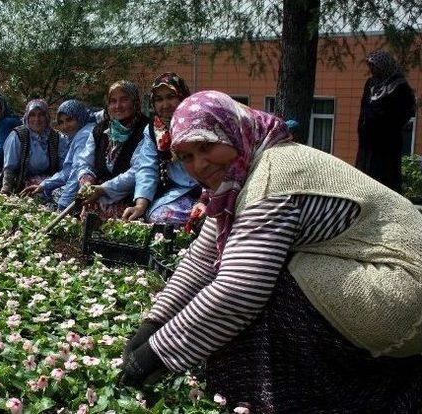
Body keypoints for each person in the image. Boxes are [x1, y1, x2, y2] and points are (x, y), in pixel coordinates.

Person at [120, 91, 422, 413]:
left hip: (403, 296)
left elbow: (238, 293)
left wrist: (154, 356)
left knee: (263, 280)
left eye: (206, 146)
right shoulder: (242, 172)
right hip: (391, 284)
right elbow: (201, 260)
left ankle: (324, 397)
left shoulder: (271, 178)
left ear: (230, 130)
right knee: (254, 266)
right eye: (187, 157)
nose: (200, 165)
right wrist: (150, 326)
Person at [133, 72, 201, 226]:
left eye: (171, 97)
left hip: (212, 188)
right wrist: (140, 205)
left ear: (182, 96)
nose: (165, 105)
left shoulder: (198, 122)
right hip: (180, 193)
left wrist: (206, 198)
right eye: (159, 99)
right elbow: (147, 168)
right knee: (158, 216)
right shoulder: (154, 130)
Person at [76, 80, 149, 220]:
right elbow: (85, 162)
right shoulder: (100, 130)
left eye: (124, 100)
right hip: (98, 193)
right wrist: (87, 183)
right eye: (112, 101)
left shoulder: (146, 130)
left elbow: (139, 170)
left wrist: (103, 189)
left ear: (135, 102)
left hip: (131, 194)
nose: (118, 106)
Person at [356, 49, 416, 193]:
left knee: (384, 178)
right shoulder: (371, 83)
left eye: (374, 66)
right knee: (365, 176)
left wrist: (383, 120)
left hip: (386, 143)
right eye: (370, 66)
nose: (371, 70)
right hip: (367, 142)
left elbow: (406, 111)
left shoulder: (399, 86)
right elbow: (364, 107)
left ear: (383, 65)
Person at [21, 99, 95, 209]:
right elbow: (68, 170)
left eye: (69, 120)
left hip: (90, 187)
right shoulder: (76, 135)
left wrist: (63, 205)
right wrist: (44, 185)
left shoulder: (84, 136)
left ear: (80, 117)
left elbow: (77, 172)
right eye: (61, 122)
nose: (65, 126)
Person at [1, 99, 68, 195]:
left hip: (49, 182)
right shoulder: (18, 135)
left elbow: (64, 167)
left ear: (47, 117)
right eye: (32, 115)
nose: (37, 119)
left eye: (41, 115)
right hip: (22, 182)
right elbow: (9, 167)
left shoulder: (56, 137)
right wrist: (6, 189)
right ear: (27, 117)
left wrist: (52, 183)